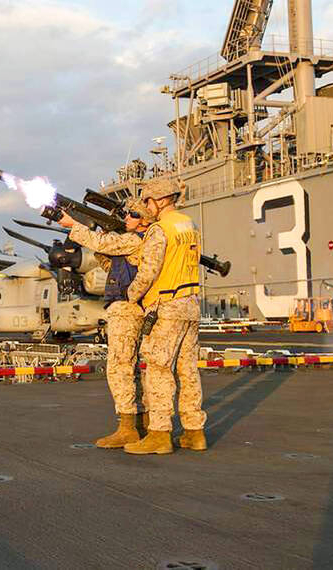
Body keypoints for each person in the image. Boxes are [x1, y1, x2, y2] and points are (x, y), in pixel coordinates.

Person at [58, 197, 155, 448]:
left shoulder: (135, 240)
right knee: (131, 368)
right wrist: (101, 239)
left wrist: (73, 225)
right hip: (127, 306)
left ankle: (127, 429)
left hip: (125, 307)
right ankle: (141, 422)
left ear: (144, 220)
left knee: (119, 367)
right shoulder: (132, 241)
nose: (127, 218)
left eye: (133, 215)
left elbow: (101, 242)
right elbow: (109, 262)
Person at [128, 178, 207, 454]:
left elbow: (148, 272)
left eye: (148, 201)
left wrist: (131, 295)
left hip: (167, 306)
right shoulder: (190, 225)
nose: (146, 207)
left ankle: (159, 435)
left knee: (159, 369)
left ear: (160, 201)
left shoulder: (160, 230)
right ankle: (194, 432)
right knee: (188, 370)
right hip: (191, 304)